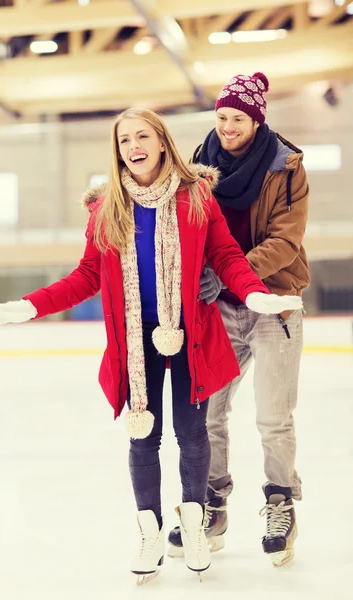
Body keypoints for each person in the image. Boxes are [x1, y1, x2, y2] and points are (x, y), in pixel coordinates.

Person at [0, 107, 302, 582]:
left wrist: (253, 293)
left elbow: (227, 256)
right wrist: (33, 306)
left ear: (161, 142)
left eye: (141, 136)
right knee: (143, 435)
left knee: (193, 432)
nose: (132, 146)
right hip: (136, 341)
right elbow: (87, 275)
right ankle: (149, 530)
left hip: (190, 333)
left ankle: (194, 522)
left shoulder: (195, 196)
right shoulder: (107, 206)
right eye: (123, 140)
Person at [167, 73, 310, 568]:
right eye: (222, 117)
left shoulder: (286, 167)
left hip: (275, 300)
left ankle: (280, 502)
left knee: (273, 418)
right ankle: (213, 503)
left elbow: (285, 240)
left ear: (257, 119)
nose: (228, 127)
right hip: (219, 308)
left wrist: (232, 273)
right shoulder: (196, 166)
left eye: (238, 119)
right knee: (208, 413)